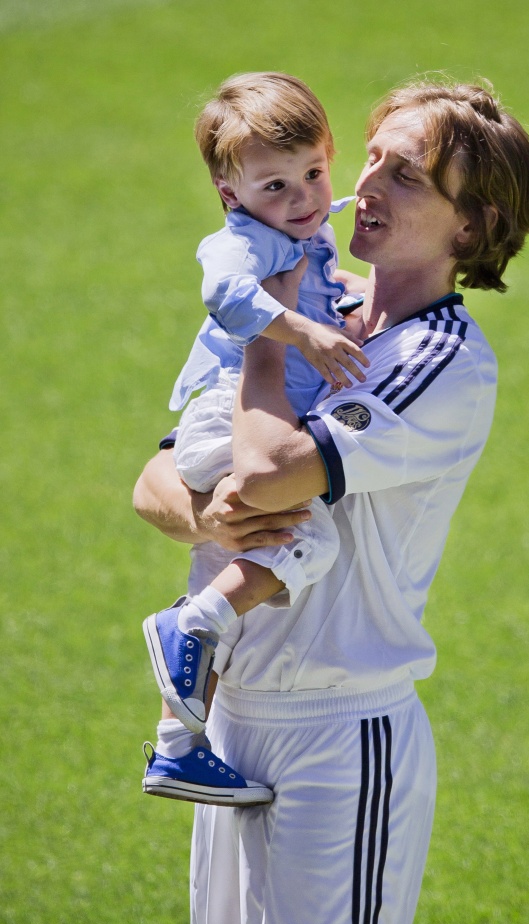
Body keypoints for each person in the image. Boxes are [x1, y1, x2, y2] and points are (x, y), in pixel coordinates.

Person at [134, 77, 529, 924]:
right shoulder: (318, 301)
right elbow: (153, 486)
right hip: (233, 723)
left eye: (406, 176)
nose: (366, 184)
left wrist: (262, 334)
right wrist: (213, 514)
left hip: (338, 740)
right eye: (373, 158)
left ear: (469, 228)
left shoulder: (437, 359)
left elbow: (264, 470)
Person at [141, 72, 369, 806]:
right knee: (308, 538)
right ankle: (191, 623)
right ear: (229, 193)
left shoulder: (306, 228)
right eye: (275, 186)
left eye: (312, 172)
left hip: (254, 418)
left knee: (225, 562)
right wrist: (304, 328)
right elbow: (225, 295)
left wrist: (353, 306)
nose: (301, 197)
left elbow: (328, 284)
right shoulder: (241, 242)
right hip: (225, 418)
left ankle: (176, 748)